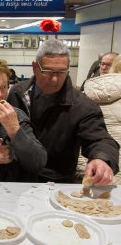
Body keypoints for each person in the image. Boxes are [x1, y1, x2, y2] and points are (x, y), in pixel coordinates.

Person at [7, 39, 119, 184]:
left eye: (61, 72)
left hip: (54, 181)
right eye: (48, 71)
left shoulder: (82, 105)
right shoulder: (17, 93)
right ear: (35, 67)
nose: (54, 79)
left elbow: (100, 139)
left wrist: (102, 158)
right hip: (15, 178)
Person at [84, 54, 121, 184]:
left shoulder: (86, 91)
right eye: (102, 63)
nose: (104, 67)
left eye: (108, 64)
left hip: (89, 162)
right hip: (114, 166)